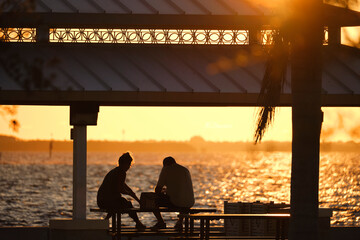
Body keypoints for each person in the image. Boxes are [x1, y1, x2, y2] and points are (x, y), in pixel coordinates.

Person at [97, 152, 146, 230]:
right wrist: (129, 194)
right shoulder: (121, 172)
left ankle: (105, 221)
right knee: (127, 204)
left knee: (119, 203)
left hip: (101, 201)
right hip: (107, 201)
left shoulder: (115, 171)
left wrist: (138, 200)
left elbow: (126, 188)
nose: (129, 167)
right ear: (124, 164)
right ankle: (138, 223)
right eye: (129, 164)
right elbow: (120, 189)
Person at [151, 156, 195, 231]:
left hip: (176, 202)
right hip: (190, 202)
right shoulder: (185, 170)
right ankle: (179, 222)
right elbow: (180, 188)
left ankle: (161, 222)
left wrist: (162, 191)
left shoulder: (166, 169)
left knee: (152, 201)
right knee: (182, 197)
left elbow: (157, 190)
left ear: (165, 164)